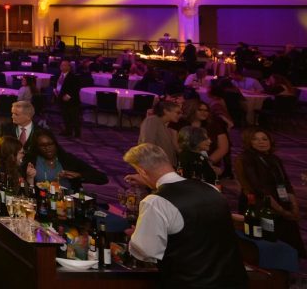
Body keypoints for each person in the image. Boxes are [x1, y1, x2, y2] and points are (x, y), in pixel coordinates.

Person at [124, 143, 248, 287]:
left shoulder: (156, 201)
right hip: (234, 281)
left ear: (142, 171)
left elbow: (146, 252)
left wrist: (137, 235)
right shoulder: (211, 188)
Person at [237, 128, 305, 258]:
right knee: (270, 241)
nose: (261, 142)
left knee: (291, 240)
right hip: (260, 205)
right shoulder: (246, 159)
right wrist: (282, 211)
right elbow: (258, 188)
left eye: (264, 139)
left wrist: (294, 207)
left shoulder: (274, 159)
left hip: (280, 200)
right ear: (249, 142)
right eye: (255, 139)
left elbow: (285, 183)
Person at [25, 128, 107, 190]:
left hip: (68, 202)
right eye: (42, 145)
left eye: (50, 144)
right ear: (37, 147)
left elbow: (102, 178)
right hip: (41, 201)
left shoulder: (67, 159)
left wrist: (79, 175)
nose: (47, 148)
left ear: (55, 144)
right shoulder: (32, 161)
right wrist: (29, 177)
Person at [177, 99, 231, 178]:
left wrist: (208, 161)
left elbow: (223, 147)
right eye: (200, 110)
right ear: (192, 110)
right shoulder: (181, 124)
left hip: (210, 161)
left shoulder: (214, 125)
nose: (204, 113)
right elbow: (177, 145)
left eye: (206, 110)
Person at [0, 136, 35, 202]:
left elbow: (26, 196)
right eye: (21, 153)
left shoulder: (15, 168)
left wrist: (30, 178)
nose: (23, 155)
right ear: (11, 154)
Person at [138, 99, 180, 167]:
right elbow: (147, 143)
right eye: (177, 113)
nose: (180, 116)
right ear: (166, 111)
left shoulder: (164, 125)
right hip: (155, 165)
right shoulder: (152, 120)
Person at [53, 61, 83, 138]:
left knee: (74, 117)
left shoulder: (73, 76)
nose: (62, 66)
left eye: (64, 65)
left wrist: (68, 96)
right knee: (65, 116)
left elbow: (76, 88)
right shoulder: (58, 75)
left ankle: (77, 133)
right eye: (61, 65)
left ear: (69, 67)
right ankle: (68, 130)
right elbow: (56, 84)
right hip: (60, 98)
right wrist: (55, 90)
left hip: (72, 100)